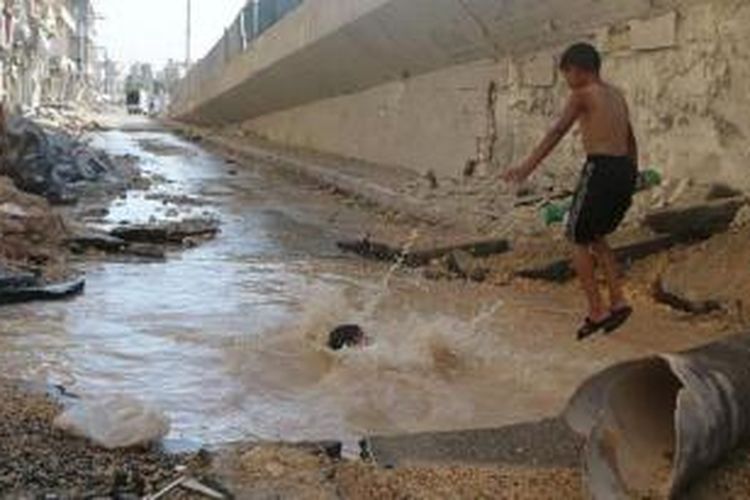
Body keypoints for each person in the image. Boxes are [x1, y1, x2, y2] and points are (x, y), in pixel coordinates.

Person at [503, 42, 638, 340]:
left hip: (600, 168)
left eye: (566, 74)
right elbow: (630, 137)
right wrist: (633, 173)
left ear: (577, 70)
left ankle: (596, 310)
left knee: (575, 236)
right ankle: (618, 300)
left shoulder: (582, 94)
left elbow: (557, 131)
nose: (566, 80)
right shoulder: (617, 95)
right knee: (597, 235)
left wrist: (526, 167)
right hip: (623, 169)